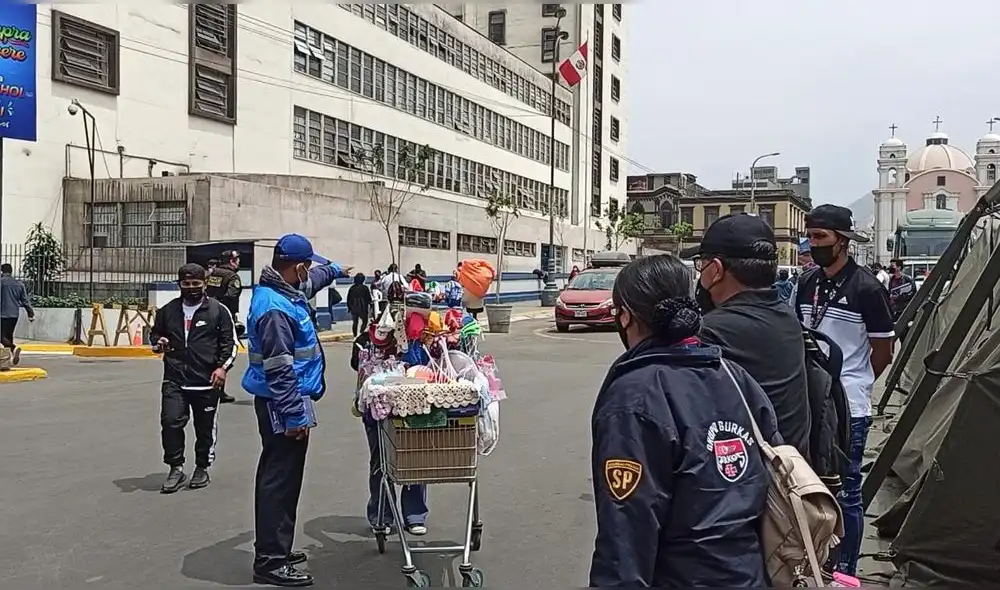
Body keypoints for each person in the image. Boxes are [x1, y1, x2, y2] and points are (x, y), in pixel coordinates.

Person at [589, 254, 782, 587]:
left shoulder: (633, 397)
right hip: (749, 575)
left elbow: (627, 531)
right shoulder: (733, 375)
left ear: (626, 317)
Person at [242, 234, 351, 587]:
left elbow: (315, 280)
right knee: (278, 481)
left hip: (285, 402)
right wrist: (293, 416)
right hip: (281, 404)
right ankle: (270, 562)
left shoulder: (285, 290)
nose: (310, 274)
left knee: (286, 480)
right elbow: (279, 369)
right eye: (308, 268)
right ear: (299, 266)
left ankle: (278, 548)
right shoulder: (275, 308)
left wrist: (335, 270)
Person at [794, 204, 894, 577]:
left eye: (820, 237)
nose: (812, 244)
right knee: (809, 485)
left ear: (843, 241)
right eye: (810, 236)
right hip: (810, 401)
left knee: (847, 490)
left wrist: (856, 380)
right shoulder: (807, 282)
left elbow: (883, 350)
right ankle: (812, 561)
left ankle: (846, 571)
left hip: (849, 405)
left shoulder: (866, 288)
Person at [681, 214, 811, 459]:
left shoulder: (711, 331)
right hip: (793, 469)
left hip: (749, 479)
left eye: (702, 264)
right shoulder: (787, 317)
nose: (700, 275)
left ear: (716, 270)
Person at [150, 263, 238, 494]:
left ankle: (202, 467)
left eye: (196, 284)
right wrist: (159, 343)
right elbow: (155, 334)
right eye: (186, 284)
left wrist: (222, 368)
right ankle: (175, 468)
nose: (191, 288)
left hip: (207, 381)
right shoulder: (167, 311)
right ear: (179, 285)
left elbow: (230, 344)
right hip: (175, 379)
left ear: (204, 283)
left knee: (204, 428)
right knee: (170, 423)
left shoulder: (218, 311)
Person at [349, 308, 430, 538]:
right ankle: (382, 514)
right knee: (380, 460)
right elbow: (356, 364)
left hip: (413, 407)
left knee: (414, 458)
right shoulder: (365, 341)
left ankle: (414, 514)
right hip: (377, 409)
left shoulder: (421, 338)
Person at [205, 250, 243, 404]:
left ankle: (215, 389)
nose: (239, 262)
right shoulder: (232, 276)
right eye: (237, 259)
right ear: (232, 261)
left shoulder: (213, 274)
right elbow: (232, 295)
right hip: (224, 317)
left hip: (208, 315)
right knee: (226, 352)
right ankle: (216, 389)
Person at [0, 263, 34, 366]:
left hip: (2, 314)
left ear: (2, 272)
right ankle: (8, 359)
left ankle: (13, 348)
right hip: (14, 315)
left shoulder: (1, 283)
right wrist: (30, 313)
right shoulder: (19, 284)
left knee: (2, 337)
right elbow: (25, 301)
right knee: (9, 335)